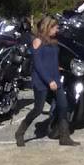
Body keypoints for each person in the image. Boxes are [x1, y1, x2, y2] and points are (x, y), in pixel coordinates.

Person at [13, 16, 77, 147]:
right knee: (38, 109)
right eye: (55, 28)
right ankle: (20, 132)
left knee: (63, 106)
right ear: (48, 27)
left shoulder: (54, 42)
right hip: (41, 81)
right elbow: (38, 65)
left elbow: (53, 61)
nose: (57, 30)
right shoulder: (37, 41)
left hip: (55, 79)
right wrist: (49, 81)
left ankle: (64, 137)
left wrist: (58, 74)